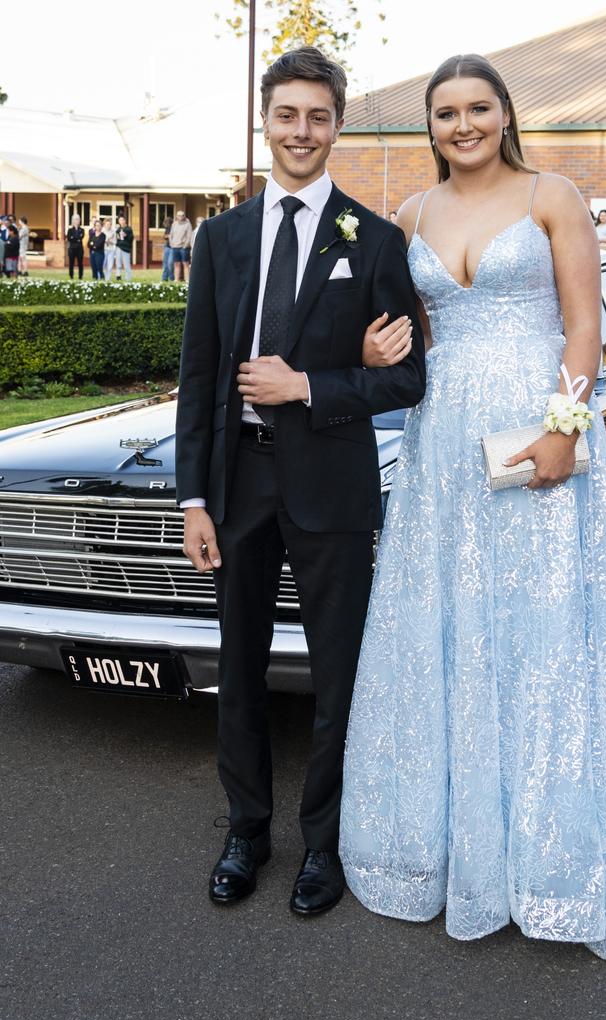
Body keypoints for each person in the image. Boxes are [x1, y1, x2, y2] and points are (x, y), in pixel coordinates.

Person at [339, 52, 606, 970]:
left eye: (478, 108)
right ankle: (464, 844)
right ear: (428, 127)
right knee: (453, 629)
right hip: (444, 453)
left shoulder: (554, 195)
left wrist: (561, 427)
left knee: (546, 636)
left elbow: (585, 325)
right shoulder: (409, 217)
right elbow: (392, 336)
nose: (461, 125)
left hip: (537, 436)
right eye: (445, 113)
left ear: (506, 115)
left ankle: (554, 854)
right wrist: (364, 339)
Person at [175, 46, 426, 917]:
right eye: (288, 114)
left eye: (318, 116)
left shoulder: (376, 237)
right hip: (237, 482)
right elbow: (200, 376)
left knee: (337, 676)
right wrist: (194, 499)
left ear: (338, 125)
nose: (302, 130)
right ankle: (247, 830)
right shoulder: (221, 237)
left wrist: (311, 384)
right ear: (266, 120)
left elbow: (406, 380)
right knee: (238, 668)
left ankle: (327, 843)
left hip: (332, 485)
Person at [169, 210, 193, 281]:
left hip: (184, 248)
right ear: (176, 216)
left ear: (184, 216)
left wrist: (185, 245)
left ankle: (187, 280)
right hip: (175, 247)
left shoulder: (187, 224)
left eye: (182, 215)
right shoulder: (174, 224)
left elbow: (189, 236)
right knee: (176, 264)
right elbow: (171, 235)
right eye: (179, 215)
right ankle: (176, 279)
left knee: (185, 264)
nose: (181, 217)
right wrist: (171, 243)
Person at [115, 215, 133, 281]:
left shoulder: (128, 229)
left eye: (123, 220)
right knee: (118, 263)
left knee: (126, 264)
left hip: (126, 249)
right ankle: (118, 276)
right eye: (120, 220)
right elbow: (117, 238)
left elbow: (131, 238)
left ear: (125, 221)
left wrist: (126, 235)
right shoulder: (118, 230)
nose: (122, 221)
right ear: (118, 221)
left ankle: (128, 278)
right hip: (119, 248)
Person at [66, 214, 85, 279]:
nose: (76, 221)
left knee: (80, 263)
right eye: (75, 219)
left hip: (79, 249)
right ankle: (71, 276)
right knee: (71, 263)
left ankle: (80, 276)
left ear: (79, 221)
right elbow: (69, 238)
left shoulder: (82, 230)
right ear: (72, 221)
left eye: (78, 219)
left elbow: (81, 237)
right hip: (72, 249)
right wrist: (76, 238)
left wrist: (74, 238)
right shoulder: (70, 230)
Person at [161, 215, 174, 281]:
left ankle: (172, 277)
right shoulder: (167, 228)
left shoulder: (173, 227)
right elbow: (164, 236)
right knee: (165, 263)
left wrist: (169, 236)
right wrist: (168, 236)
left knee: (170, 263)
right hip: (167, 246)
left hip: (173, 247)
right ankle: (164, 278)